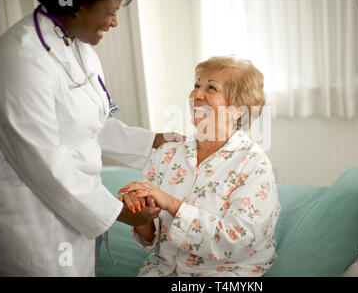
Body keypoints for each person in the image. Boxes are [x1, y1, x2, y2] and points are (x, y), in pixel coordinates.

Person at [0, 0, 178, 276]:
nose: (115, 22)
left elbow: (89, 124)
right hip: (35, 225)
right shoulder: (20, 59)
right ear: (77, 5)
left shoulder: (78, 46)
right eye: (109, 11)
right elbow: (44, 164)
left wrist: (155, 141)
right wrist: (119, 212)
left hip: (74, 212)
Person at [119, 56, 281, 277]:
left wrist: (170, 203)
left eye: (211, 88)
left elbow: (237, 241)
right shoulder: (166, 154)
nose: (196, 95)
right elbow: (151, 238)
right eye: (196, 86)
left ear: (237, 110)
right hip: (161, 271)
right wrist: (141, 217)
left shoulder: (254, 164)